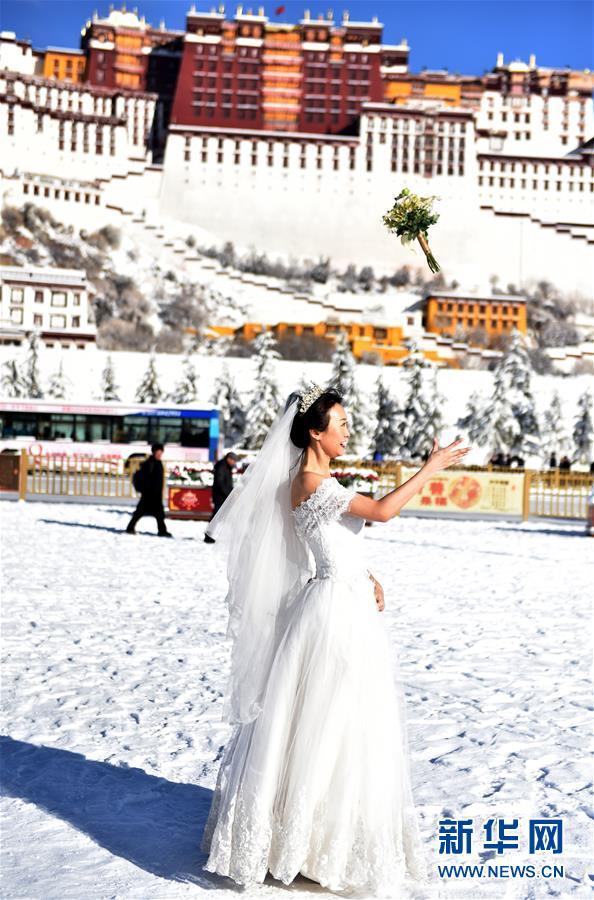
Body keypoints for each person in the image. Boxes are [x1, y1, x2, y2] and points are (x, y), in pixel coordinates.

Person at [199, 383, 471, 895]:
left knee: (343, 724)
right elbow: (383, 512)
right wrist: (431, 468)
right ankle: (303, 841)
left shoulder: (320, 481)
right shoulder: (309, 481)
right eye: (341, 424)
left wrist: (366, 574)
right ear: (314, 432)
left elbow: (334, 543)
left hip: (345, 601)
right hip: (332, 615)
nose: (348, 431)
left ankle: (324, 837)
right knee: (327, 723)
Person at [125, 442, 172, 537]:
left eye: (161, 452)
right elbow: (146, 478)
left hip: (156, 494)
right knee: (140, 512)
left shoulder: (158, 462)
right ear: (154, 452)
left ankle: (162, 530)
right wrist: (148, 490)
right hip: (149, 494)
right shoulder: (149, 463)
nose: (159, 454)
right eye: (158, 452)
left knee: (159, 513)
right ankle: (130, 528)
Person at [204, 451, 237, 544]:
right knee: (216, 517)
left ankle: (209, 535)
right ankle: (208, 535)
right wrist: (228, 494)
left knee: (218, 517)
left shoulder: (225, 467)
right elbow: (220, 483)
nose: (234, 462)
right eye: (233, 460)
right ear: (229, 459)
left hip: (222, 496)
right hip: (221, 496)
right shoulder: (222, 467)